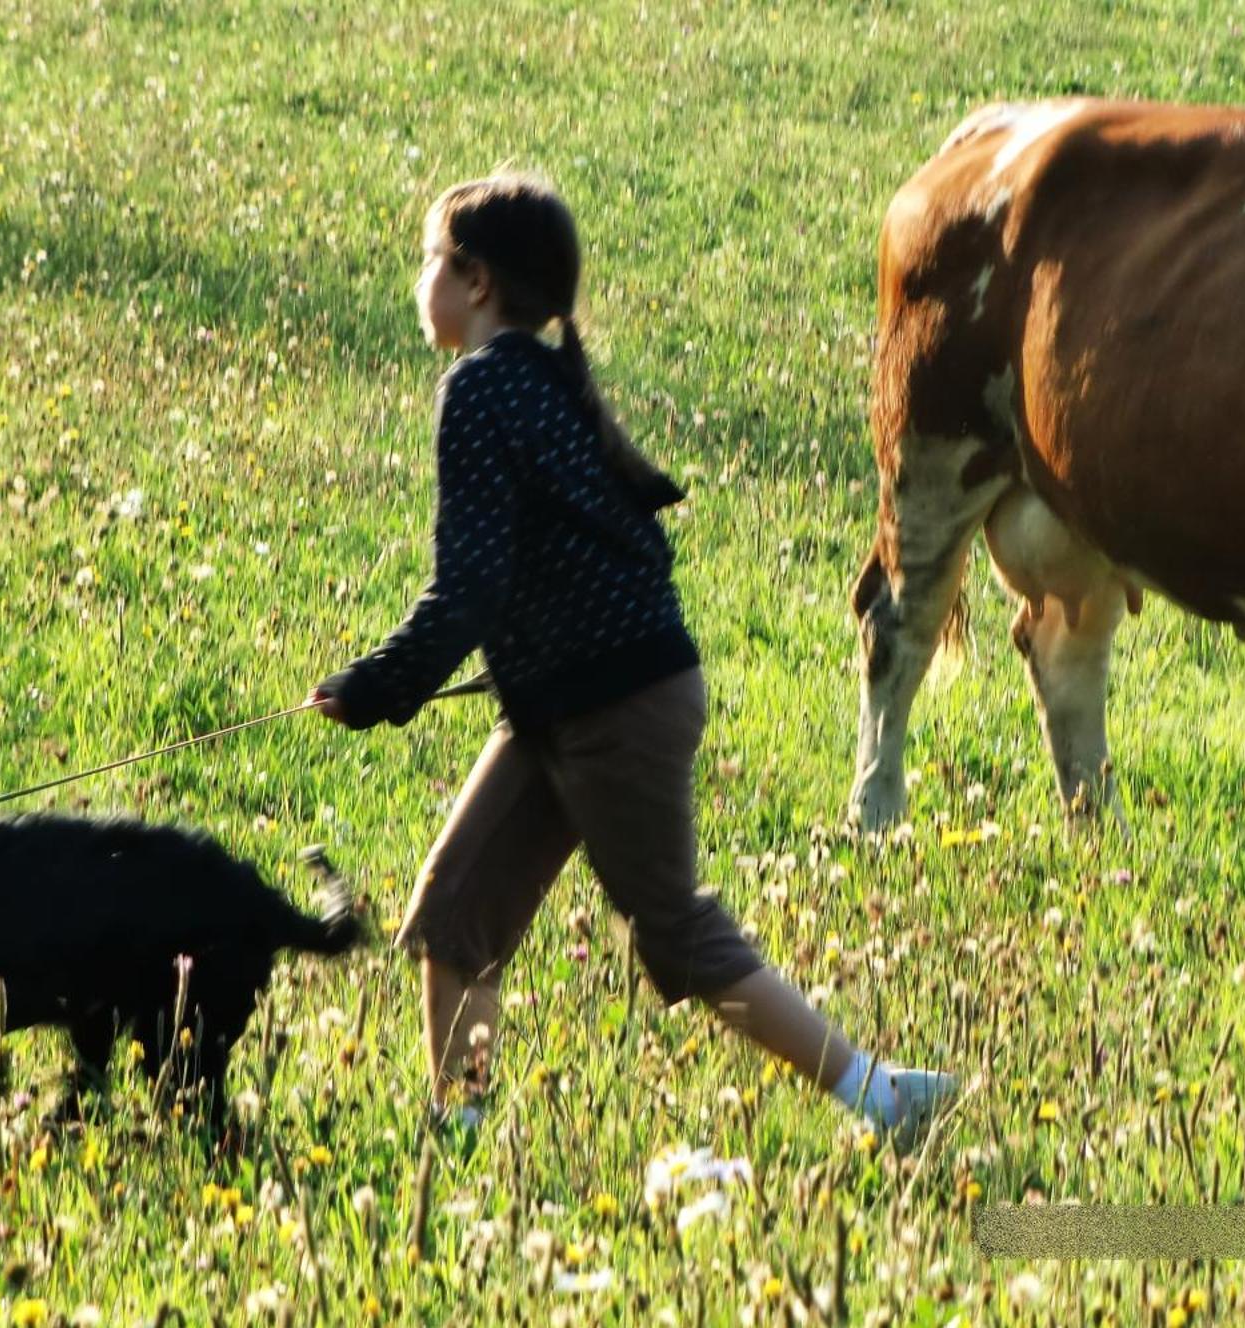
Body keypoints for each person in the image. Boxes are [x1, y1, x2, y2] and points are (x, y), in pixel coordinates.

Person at [308, 173, 958, 1151]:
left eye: (431, 260)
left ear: (476, 283)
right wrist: (520, 658)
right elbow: (590, 557)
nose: (421, 280)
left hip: (612, 707)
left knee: (673, 932)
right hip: (568, 700)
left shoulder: (482, 387)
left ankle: (881, 1094)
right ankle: (459, 1133)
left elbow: (471, 584)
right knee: (454, 912)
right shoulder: (538, 379)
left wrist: (379, 684)